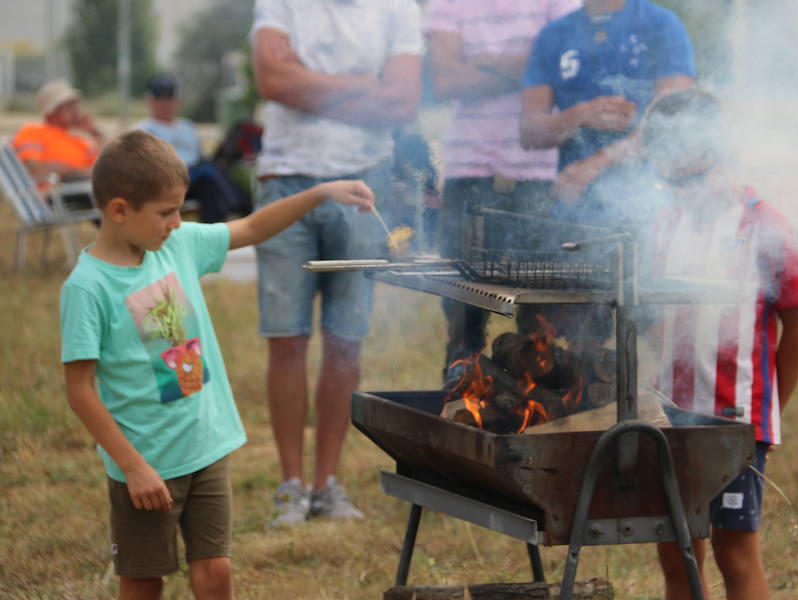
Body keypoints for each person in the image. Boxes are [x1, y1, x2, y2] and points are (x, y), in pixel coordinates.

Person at [60, 130, 373, 599]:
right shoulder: (88, 287)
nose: (176, 221)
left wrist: (320, 193)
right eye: (166, 213)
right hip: (147, 464)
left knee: (216, 572)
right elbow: (79, 389)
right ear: (120, 210)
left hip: (205, 447)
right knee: (144, 581)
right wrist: (134, 467)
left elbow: (249, 228)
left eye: (178, 210)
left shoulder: (176, 244)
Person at [250, 0, 423, 527]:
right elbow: (271, 79)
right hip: (285, 180)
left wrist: (309, 83)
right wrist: (362, 87)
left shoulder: (398, 9)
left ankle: (325, 485)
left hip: (362, 187)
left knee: (346, 342)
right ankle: (290, 486)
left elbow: (402, 101)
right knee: (287, 340)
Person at [641, 89, 798, 600]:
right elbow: (652, 309)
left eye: (690, 176)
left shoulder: (764, 225)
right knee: (676, 550)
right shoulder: (664, 223)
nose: (681, 189)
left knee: (734, 553)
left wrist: (769, 412)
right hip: (671, 415)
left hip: (736, 419)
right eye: (670, 178)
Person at [424, 0, 581, 376]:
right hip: (466, 176)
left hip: (539, 178)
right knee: (463, 322)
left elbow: (559, 66)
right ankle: (460, 407)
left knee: (543, 322)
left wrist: (481, 66)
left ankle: (545, 419)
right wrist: (525, 68)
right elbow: (444, 80)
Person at [520, 0, 695, 223]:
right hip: (573, 207)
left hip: (650, 205)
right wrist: (582, 115)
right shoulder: (553, 35)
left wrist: (596, 164)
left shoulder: (661, 24)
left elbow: (674, 121)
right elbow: (529, 133)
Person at [135, 74, 252, 223]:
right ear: (150, 101)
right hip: (167, 179)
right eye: (160, 98)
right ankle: (244, 211)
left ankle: (213, 233)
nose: (165, 103)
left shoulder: (187, 126)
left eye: (169, 98)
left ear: (177, 101)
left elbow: (200, 155)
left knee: (211, 182)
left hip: (197, 179)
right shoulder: (144, 129)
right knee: (209, 174)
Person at [11, 78, 103, 209]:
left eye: (75, 105)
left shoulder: (78, 140)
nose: (76, 110)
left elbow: (103, 167)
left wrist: (95, 133)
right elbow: (36, 169)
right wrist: (80, 171)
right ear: (52, 109)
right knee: (107, 194)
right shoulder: (32, 131)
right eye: (69, 106)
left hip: (80, 188)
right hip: (52, 194)